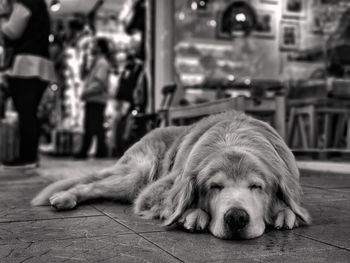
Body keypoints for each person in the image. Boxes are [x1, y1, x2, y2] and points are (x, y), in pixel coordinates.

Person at [0, 0, 56, 168]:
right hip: (40, 65)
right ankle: (29, 155)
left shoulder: (24, 3)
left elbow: (12, 31)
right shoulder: (39, 5)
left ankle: (27, 157)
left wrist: (2, 18)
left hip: (26, 65)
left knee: (26, 112)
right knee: (31, 113)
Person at [74, 38, 111, 159]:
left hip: (96, 98)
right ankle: (98, 151)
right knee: (93, 126)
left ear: (99, 48)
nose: (92, 47)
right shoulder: (97, 62)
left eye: (94, 45)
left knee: (92, 126)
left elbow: (99, 83)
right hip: (93, 98)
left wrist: (86, 92)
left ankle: (92, 151)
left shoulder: (102, 63)